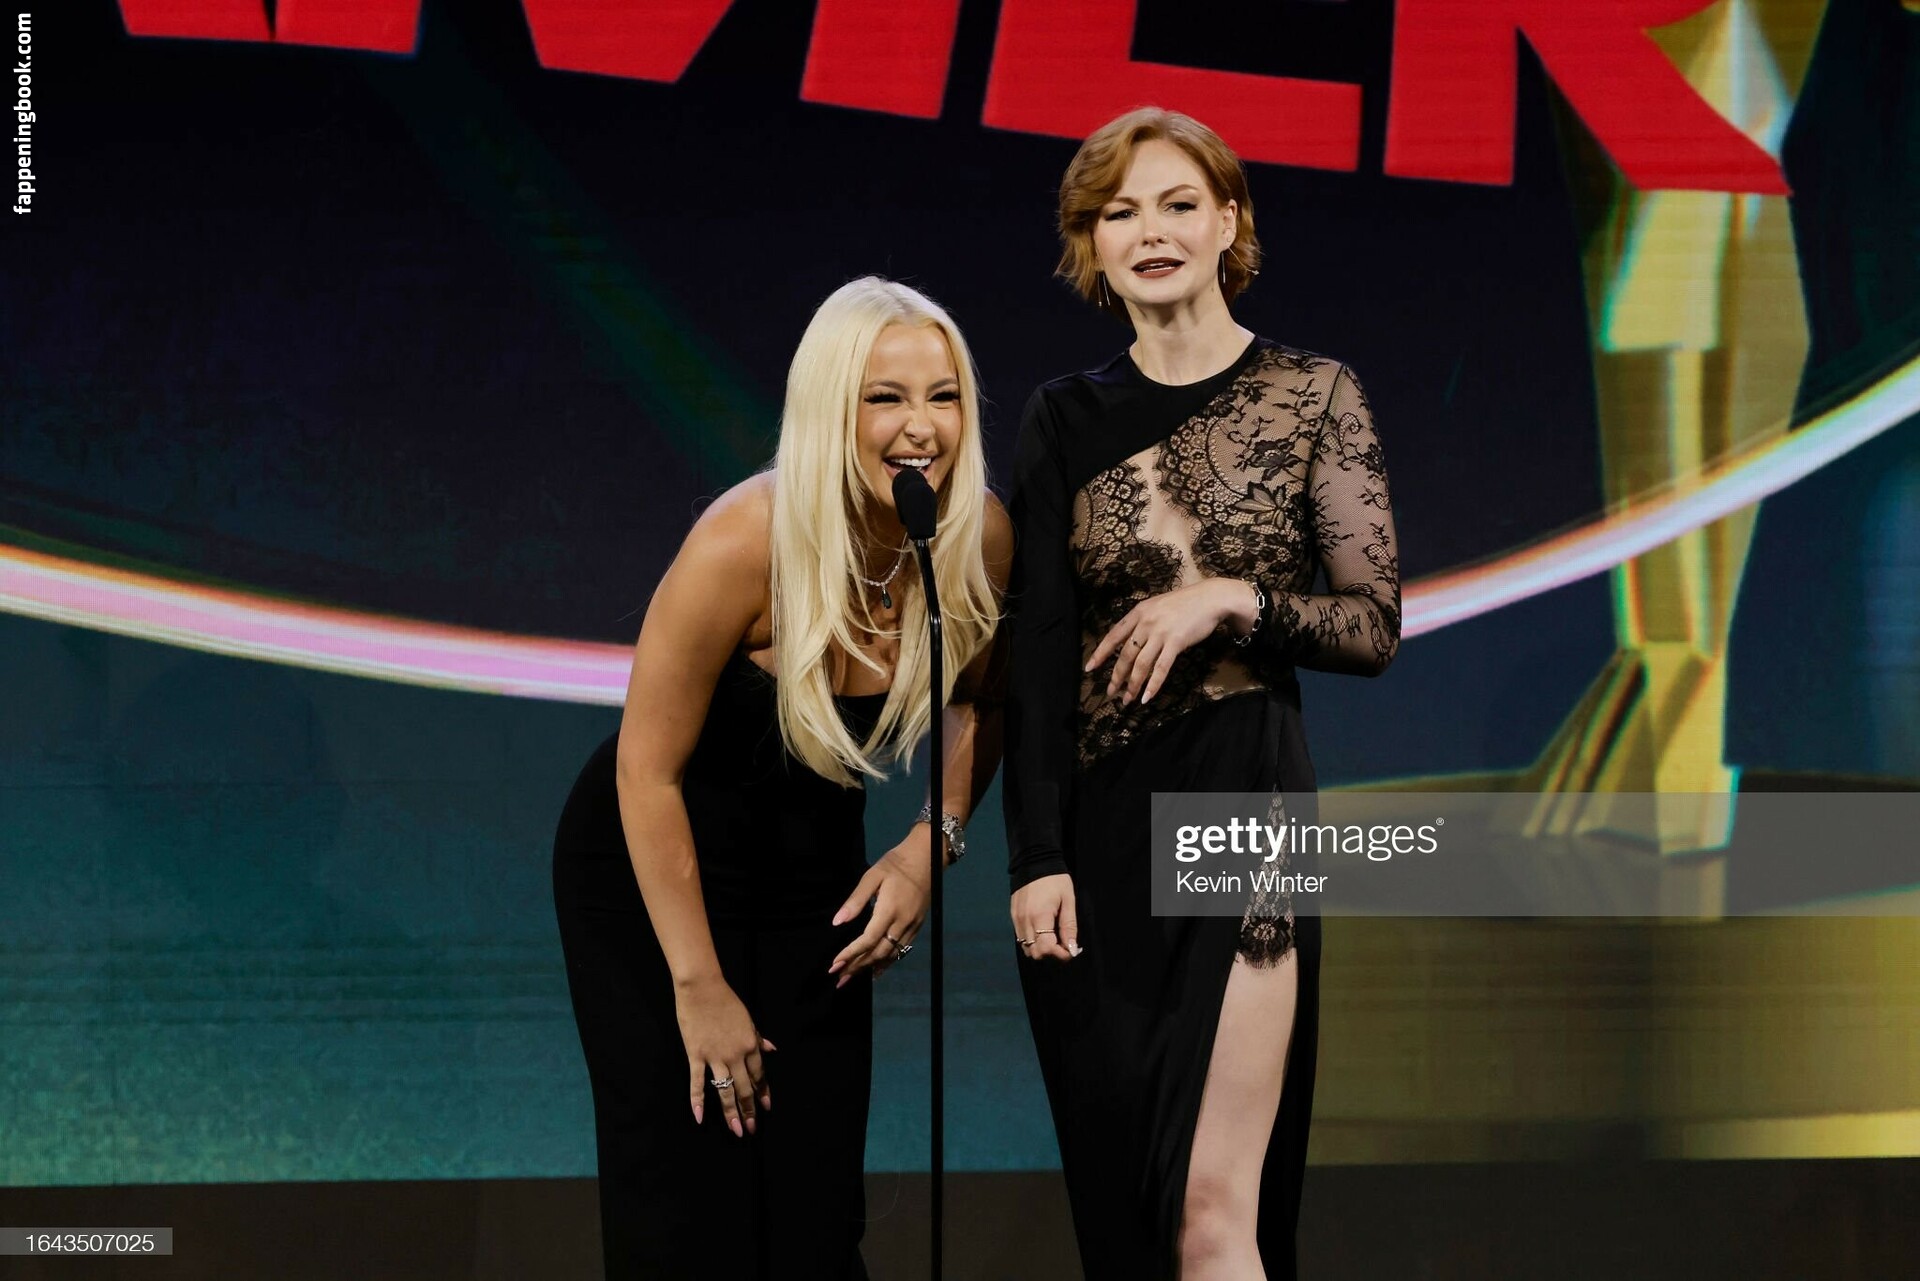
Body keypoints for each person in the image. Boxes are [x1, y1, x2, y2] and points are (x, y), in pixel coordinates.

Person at [1003, 108, 1401, 1280]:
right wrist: (1036, 856)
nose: (1151, 232)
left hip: (1246, 802)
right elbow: (1035, 655)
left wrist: (1230, 601)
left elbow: (1372, 626)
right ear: (1092, 243)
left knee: (1214, 1210)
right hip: (1098, 831)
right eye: (1120, 212)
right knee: (1127, 1221)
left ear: (1229, 222)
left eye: (1179, 204)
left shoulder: (1315, 393)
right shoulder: (1061, 416)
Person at [553, 276, 1010, 1279]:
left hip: (812, 868)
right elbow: (646, 770)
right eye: (886, 397)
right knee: (688, 1201)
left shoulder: (974, 535)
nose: (921, 426)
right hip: (653, 876)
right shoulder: (743, 541)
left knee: (812, 1202)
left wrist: (931, 843)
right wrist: (698, 985)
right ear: (830, 406)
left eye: (943, 396)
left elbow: (986, 701)